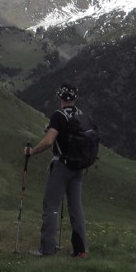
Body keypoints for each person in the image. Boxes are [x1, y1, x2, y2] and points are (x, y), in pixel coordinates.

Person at [23, 83, 89, 258]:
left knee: (51, 207)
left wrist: (32, 152)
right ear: (75, 98)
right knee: (76, 208)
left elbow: (48, 141)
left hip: (61, 166)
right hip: (78, 167)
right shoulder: (81, 115)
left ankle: (46, 249)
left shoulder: (58, 116)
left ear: (60, 97)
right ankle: (81, 250)